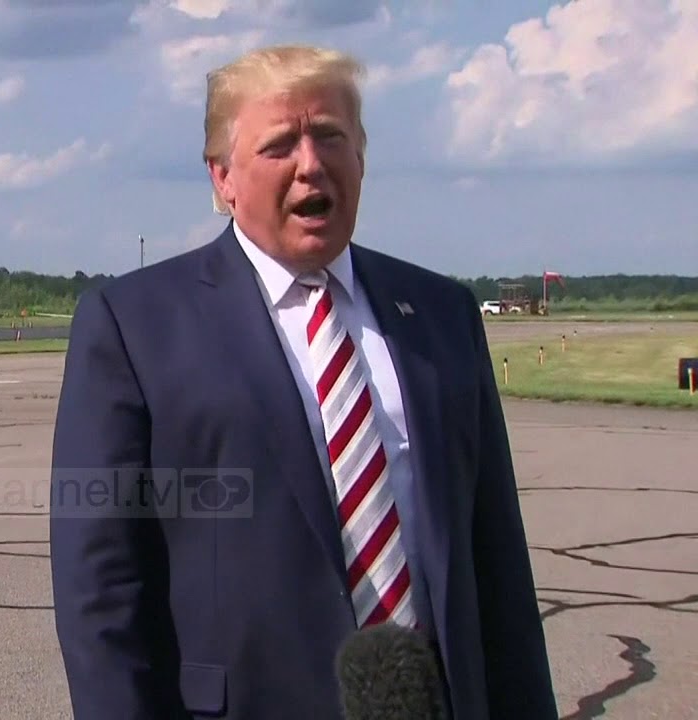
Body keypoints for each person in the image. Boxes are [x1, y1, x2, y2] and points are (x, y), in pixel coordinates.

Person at [48, 45, 557, 719]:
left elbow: (499, 566)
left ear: (361, 158)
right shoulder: (133, 326)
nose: (311, 163)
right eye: (280, 144)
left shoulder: (441, 315)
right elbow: (99, 586)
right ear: (223, 177)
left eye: (331, 137)